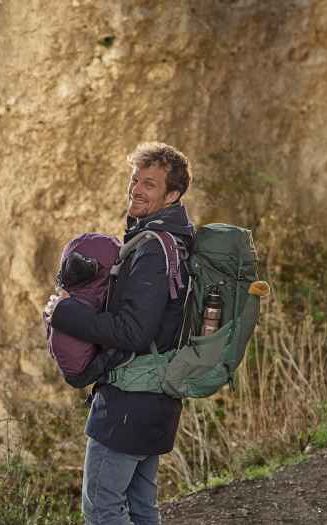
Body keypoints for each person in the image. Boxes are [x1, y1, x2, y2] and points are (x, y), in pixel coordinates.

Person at [45, 142, 194, 525]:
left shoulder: (153, 252)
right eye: (135, 180)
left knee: (102, 509)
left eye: (149, 184)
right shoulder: (172, 242)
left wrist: (65, 314)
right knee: (141, 505)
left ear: (172, 195)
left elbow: (133, 331)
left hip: (130, 399)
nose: (136, 190)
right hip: (157, 395)